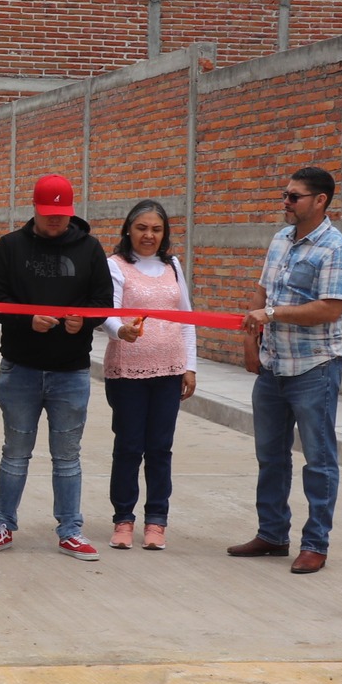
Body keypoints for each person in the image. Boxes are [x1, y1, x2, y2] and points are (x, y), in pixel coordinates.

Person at [0, 173, 113, 561]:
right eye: (49, 213)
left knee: (67, 455)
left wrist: (82, 321)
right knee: (16, 452)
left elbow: (103, 302)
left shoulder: (89, 249)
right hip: (20, 368)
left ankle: (70, 530)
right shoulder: (10, 247)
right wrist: (27, 320)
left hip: (70, 371)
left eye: (62, 214)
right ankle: (3, 524)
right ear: (34, 208)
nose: (56, 220)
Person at [229, 166, 342, 576]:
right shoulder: (280, 239)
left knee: (318, 460)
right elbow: (262, 291)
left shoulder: (335, 249)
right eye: (285, 195)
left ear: (320, 201)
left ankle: (315, 544)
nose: (285, 202)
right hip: (273, 367)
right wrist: (252, 341)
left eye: (294, 197)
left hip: (313, 369)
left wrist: (270, 314)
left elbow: (329, 308)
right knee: (270, 456)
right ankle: (272, 534)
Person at [101, 200, 198, 552]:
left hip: (169, 371)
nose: (149, 235)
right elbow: (107, 312)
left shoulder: (172, 265)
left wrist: (190, 365)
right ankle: (123, 519)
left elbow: (186, 318)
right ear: (129, 229)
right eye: (142, 228)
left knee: (160, 449)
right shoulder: (115, 266)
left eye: (156, 229)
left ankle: (157, 520)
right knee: (128, 447)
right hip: (127, 371)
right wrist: (120, 331)